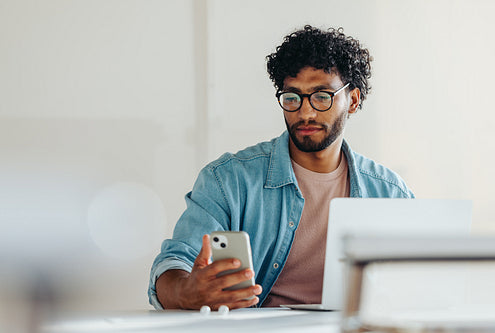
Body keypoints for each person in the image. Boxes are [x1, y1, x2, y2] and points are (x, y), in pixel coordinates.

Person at [148, 25, 414, 310]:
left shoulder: (389, 191)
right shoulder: (228, 180)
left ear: (353, 100)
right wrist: (184, 291)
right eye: (292, 97)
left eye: (322, 96)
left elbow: (416, 281)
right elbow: (175, 262)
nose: (305, 112)